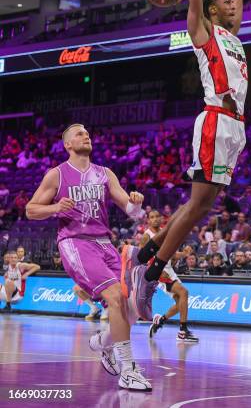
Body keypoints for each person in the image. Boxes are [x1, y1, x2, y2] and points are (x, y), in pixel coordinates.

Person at [136, 0, 246, 308]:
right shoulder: (203, 31)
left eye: (232, 4)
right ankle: (153, 273)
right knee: (198, 205)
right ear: (211, 9)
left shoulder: (234, 37)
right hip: (215, 120)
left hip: (235, 126)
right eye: (225, 3)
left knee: (201, 206)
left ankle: (150, 251)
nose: (233, 6)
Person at [25, 123, 151, 391]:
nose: (86, 135)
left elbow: (131, 210)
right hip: (75, 242)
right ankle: (128, 370)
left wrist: (136, 204)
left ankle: (102, 344)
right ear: (68, 145)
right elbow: (30, 210)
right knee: (116, 297)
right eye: (79, 134)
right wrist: (56, 207)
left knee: (132, 307)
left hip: (105, 243)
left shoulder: (105, 174)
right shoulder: (56, 175)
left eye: (87, 133)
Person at [142, 211, 198, 343]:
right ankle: (182, 332)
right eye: (152, 217)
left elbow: (171, 254)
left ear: (162, 219)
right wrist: (155, 270)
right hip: (158, 271)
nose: (155, 219)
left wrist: (184, 254)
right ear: (148, 221)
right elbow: (142, 257)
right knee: (184, 292)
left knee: (181, 302)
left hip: (169, 270)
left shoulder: (165, 233)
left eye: (157, 216)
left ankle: (159, 321)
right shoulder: (147, 236)